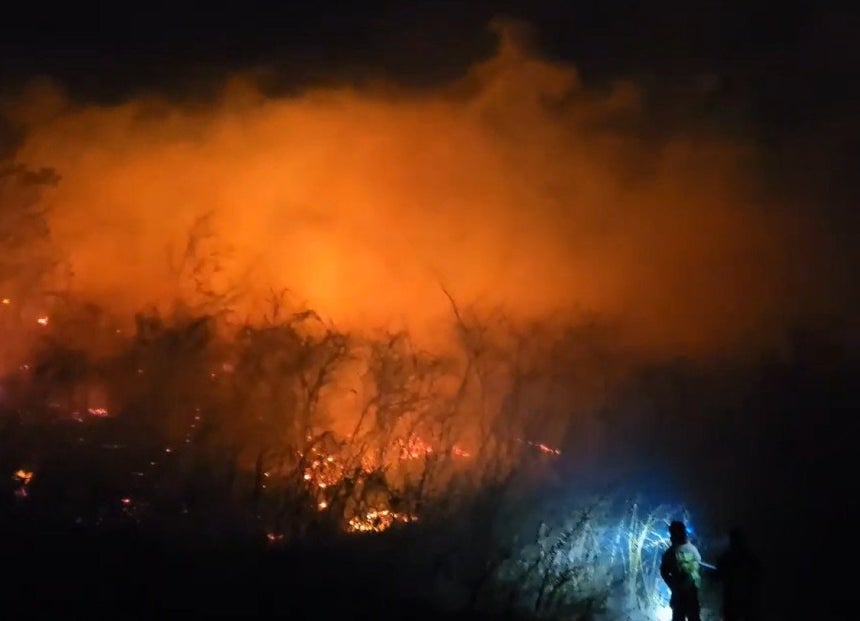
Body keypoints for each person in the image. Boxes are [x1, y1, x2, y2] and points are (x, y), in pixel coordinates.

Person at [715, 527, 762, 621]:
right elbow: (759, 575)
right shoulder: (749, 557)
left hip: (734, 599)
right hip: (746, 598)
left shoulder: (727, 557)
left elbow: (718, 574)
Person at [660, 520, 702, 621]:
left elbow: (664, 572)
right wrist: (673, 585)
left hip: (686, 596)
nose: (671, 536)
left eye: (673, 533)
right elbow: (664, 571)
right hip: (685, 596)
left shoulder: (674, 552)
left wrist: (674, 586)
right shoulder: (692, 550)